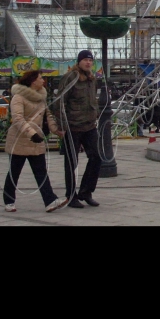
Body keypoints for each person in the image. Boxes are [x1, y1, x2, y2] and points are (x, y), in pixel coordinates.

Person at [2, 70, 67, 213]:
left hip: (36, 141)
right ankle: (9, 200)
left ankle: (50, 200)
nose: (43, 80)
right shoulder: (18, 97)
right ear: (33, 81)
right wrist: (31, 133)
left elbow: (47, 116)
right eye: (40, 78)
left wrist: (57, 131)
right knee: (14, 172)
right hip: (20, 140)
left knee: (41, 172)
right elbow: (18, 118)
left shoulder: (41, 97)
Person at [54, 50, 102, 209]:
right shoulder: (71, 77)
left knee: (96, 157)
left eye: (90, 60)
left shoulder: (92, 79)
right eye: (85, 60)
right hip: (73, 126)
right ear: (79, 61)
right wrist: (61, 126)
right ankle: (71, 195)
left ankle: (86, 192)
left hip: (89, 126)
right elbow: (60, 102)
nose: (88, 63)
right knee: (71, 162)